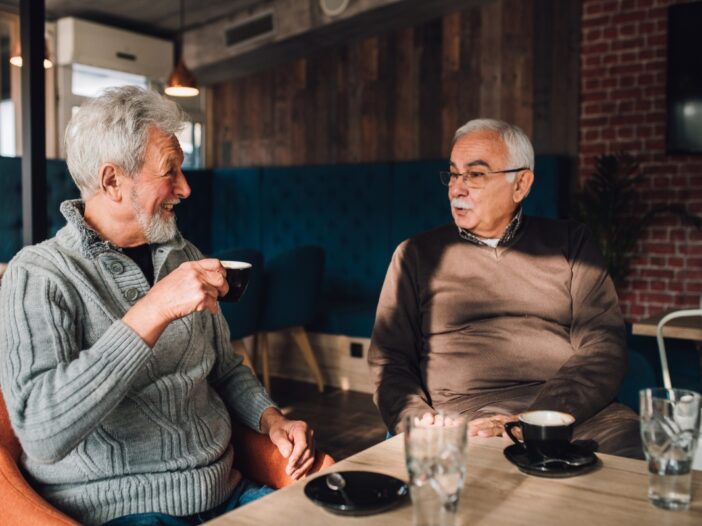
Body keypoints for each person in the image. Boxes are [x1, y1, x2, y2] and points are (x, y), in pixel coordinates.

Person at [0, 86, 316, 526]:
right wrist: (153, 309)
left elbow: (224, 368)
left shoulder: (182, 254)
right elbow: (40, 433)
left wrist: (270, 419)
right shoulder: (38, 275)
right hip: (123, 512)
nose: (185, 188)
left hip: (227, 491)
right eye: (170, 171)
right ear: (113, 181)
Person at [368, 118, 641, 458]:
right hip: (466, 419)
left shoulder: (571, 243)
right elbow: (389, 360)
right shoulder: (416, 255)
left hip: (570, 412)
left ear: (521, 184)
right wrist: (418, 421)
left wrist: (534, 420)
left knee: (630, 450)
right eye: (453, 174)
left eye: (476, 175)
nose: (456, 188)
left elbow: (605, 344)